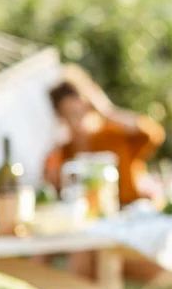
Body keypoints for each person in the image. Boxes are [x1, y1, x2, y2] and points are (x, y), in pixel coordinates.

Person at [44, 65, 165, 208]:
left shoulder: (113, 135)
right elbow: (57, 190)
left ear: (90, 108)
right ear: (61, 117)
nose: (78, 121)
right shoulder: (63, 152)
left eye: (81, 111)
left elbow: (153, 134)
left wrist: (108, 111)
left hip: (132, 211)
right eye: (70, 114)